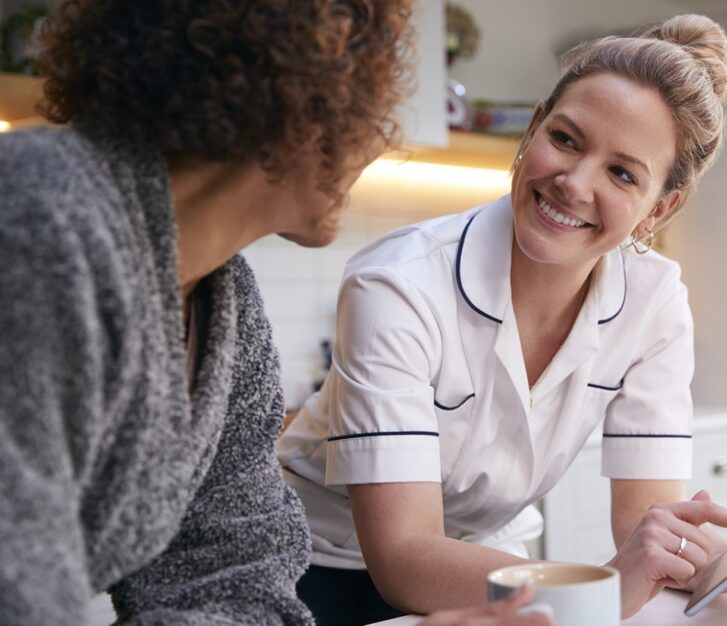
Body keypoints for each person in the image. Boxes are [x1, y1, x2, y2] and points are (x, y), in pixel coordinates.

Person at [278, 12, 727, 625]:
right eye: (566, 139)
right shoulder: (399, 283)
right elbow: (404, 558)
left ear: (660, 208)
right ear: (535, 127)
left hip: (490, 565)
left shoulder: (655, 301)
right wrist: (599, 588)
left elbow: (645, 529)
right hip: (317, 566)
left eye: (622, 173)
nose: (573, 183)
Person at [0, 1, 550, 625]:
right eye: (369, 105)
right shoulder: (37, 216)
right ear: (305, 104)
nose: (373, 143)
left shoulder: (227, 312)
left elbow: (237, 582)